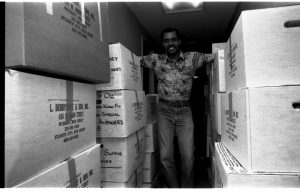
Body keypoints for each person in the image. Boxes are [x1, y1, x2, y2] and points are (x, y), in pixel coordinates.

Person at [140, 28, 215, 188]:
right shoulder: (156, 60)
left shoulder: (193, 58)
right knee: (165, 156)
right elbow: (131, 59)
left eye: (173, 39)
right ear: (163, 43)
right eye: (166, 40)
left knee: (188, 155)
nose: (170, 43)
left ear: (179, 41)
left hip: (184, 112)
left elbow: (216, 56)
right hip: (164, 111)